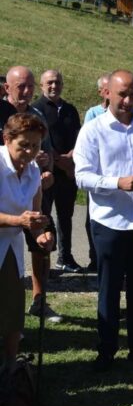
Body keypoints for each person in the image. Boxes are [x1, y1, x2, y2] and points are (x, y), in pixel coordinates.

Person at [73, 70, 133, 372]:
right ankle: (106, 349)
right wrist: (118, 182)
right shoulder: (93, 130)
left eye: (132, 94)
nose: (128, 101)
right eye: (122, 95)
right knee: (109, 287)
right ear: (107, 94)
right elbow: (82, 176)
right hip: (109, 222)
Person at [2, 66, 60, 324]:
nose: (26, 92)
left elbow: (47, 153)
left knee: (40, 242)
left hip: (31, 185)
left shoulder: (38, 115)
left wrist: (45, 169)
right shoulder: (2, 113)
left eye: (30, 87)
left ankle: (39, 300)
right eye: (20, 87)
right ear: (7, 88)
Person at [0, 114, 54, 381]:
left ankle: (10, 365)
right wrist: (17, 220)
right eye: (23, 145)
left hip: (10, 246)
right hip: (6, 235)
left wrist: (41, 234)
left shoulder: (33, 171)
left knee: (11, 309)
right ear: (6, 139)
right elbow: (21, 218)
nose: (30, 152)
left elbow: (35, 213)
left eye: (35, 146)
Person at [33, 70, 83, 274]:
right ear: (41, 85)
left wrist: (71, 159)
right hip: (47, 173)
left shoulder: (70, 109)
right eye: (50, 82)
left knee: (66, 216)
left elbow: (79, 137)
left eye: (58, 82)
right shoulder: (37, 109)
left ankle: (66, 256)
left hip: (68, 173)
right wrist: (56, 160)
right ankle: (43, 258)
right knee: (44, 215)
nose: (54, 86)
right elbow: (40, 140)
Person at [82, 73, 111, 272]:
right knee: (91, 219)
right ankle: (95, 257)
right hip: (97, 173)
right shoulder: (93, 113)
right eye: (106, 89)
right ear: (101, 91)